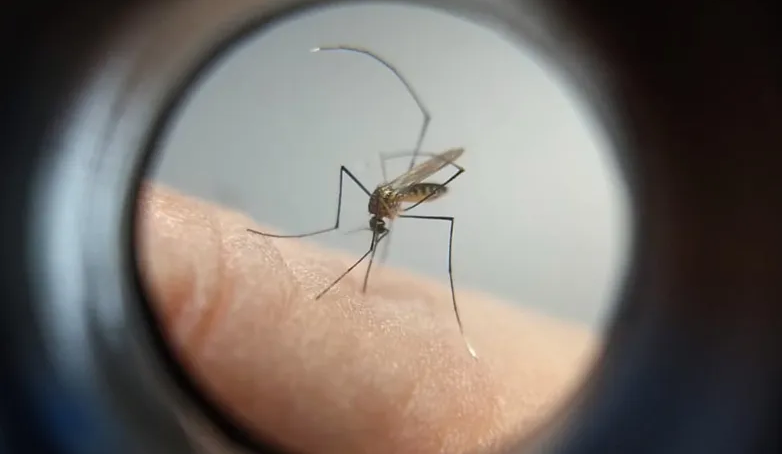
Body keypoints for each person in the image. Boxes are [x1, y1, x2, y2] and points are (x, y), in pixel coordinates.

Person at [135, 183, 598, 454]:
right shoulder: (378, 210)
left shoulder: (395, 202)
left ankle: (453, 311)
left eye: (377, 226)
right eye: (378, 225)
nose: (376, 230)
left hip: (413, 185)